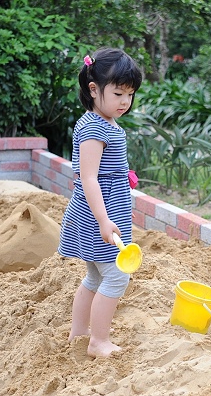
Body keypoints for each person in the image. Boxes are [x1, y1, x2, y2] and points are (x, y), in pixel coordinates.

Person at [58, 47, 142, 357]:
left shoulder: (101, 122)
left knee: (95, 275)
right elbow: (89, 178)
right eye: (118, 93)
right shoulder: (95, 128)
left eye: (130, 95)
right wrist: (105, 221)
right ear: (93, 90)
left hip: (98, 214)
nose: (125, 102)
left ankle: (79, 333)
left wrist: (122, 176)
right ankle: (98, 341)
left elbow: (102, 171)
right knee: (117, 276)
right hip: (98, 216)